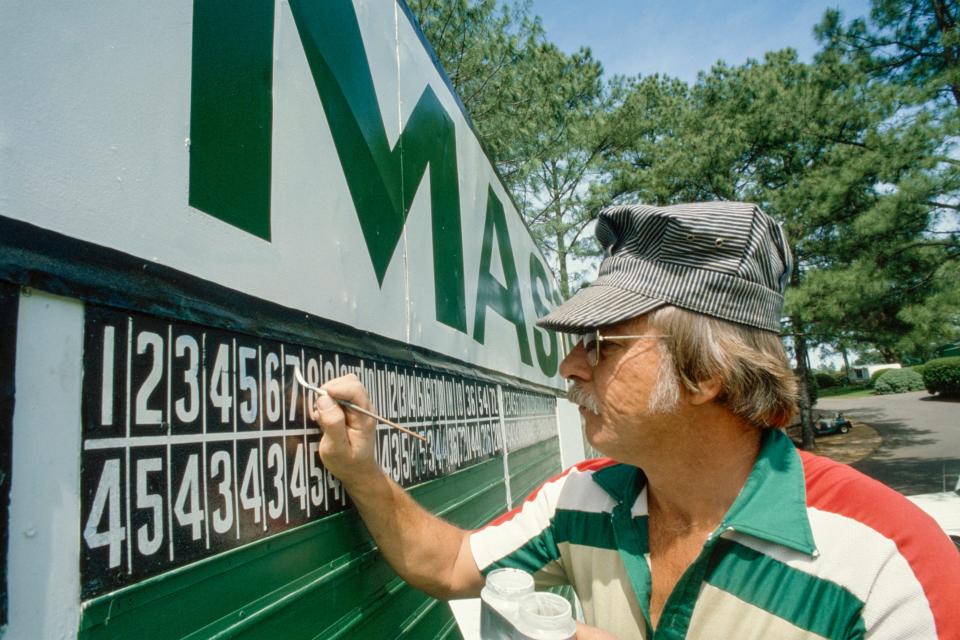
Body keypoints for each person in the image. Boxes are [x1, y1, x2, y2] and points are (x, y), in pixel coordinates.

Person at [311, 202, 960, 639]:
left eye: (601, 342)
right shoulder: (581, 497)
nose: (569, 365)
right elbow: (450, 564)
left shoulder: (888, 560)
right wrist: (360, 469)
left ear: (706, 373)